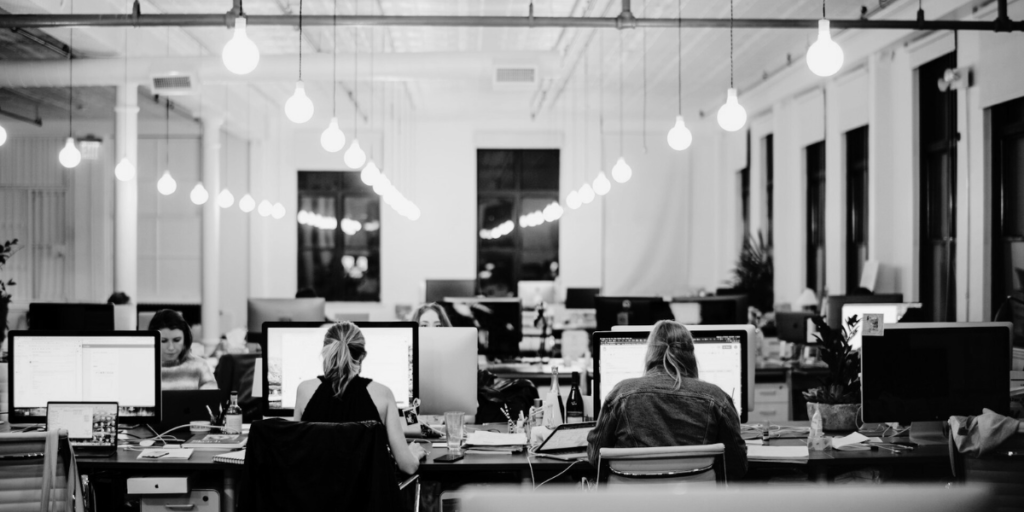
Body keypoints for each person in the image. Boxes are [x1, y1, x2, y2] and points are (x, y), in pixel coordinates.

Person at [586, 320, 747, 480]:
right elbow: (737, 465)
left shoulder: (620, 395)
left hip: (634, 503)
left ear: (650, 353)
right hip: (697, 502)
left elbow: (595, 456)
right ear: (690, 354)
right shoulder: (717, 398)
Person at [294, 322, 425, 475]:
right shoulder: (382, 394)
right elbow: (407, 466)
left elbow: (295, 454)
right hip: (367, 498)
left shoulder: (304, 391)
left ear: (325, 353)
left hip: (314, 497)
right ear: (362, 356)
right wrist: (413, 454)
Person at [149, 309, 218, 391]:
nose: (171, 347)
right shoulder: (142, 367)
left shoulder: (199, 366)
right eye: (163, 341)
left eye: (177, 340)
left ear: (185, 339)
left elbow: (212, 402)